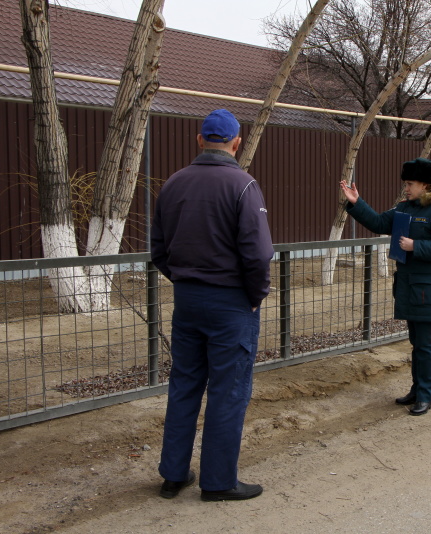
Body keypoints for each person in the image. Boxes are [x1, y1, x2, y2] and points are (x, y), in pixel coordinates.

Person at [151, 109, 274, 501]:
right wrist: (254, 296)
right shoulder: (243, 185)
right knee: (228, 389)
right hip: (231, 305)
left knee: (185, 384)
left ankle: (173, 474)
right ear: (236, 143)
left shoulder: (172, 184)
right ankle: (219, 482)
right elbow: (257, 255)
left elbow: (158, 251)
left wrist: (186, 280)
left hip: (187, 301)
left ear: (199, 139)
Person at [339, 158, 431, 415]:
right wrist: (356, 202)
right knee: (417, 342)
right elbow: (380, 223)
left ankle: (425, 395)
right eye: (405, 183)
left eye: (410, 183)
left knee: (426, 344)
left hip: (429, 289)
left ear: (426, 185)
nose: (406, 188)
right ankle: (417, 390)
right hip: (410, 286)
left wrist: (416, 246)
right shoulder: (405, 208)